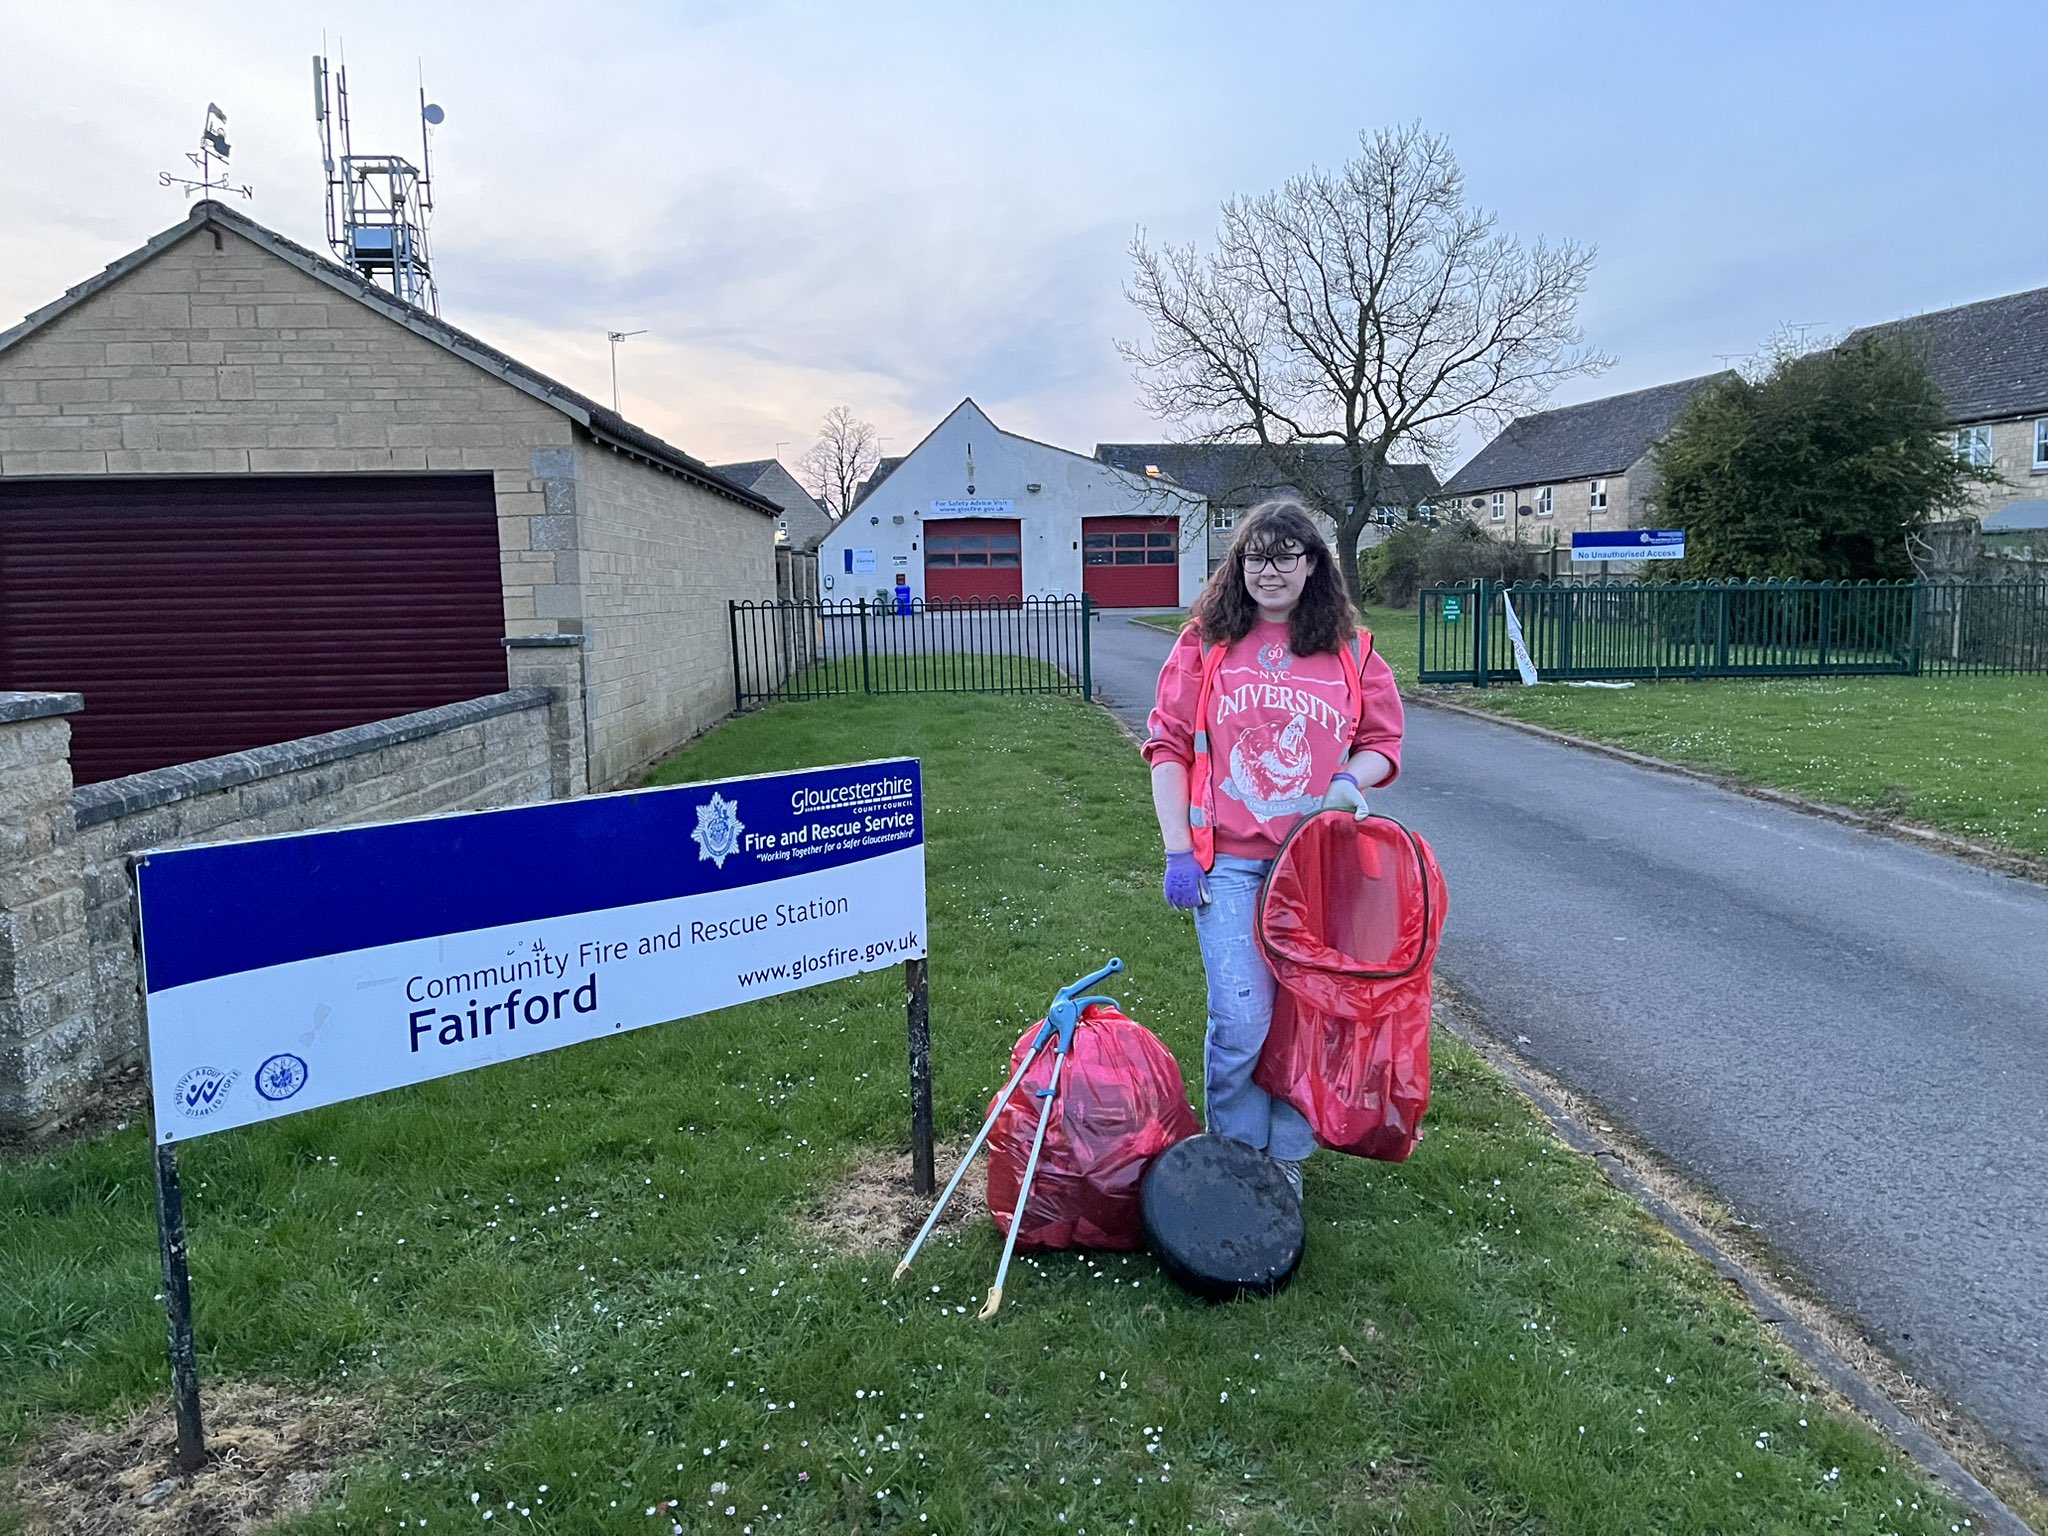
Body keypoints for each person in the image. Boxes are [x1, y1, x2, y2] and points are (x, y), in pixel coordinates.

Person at [1142, 499, 1405, 1202]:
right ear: (1237, 565)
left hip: (1315, 867)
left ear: (1314, 563)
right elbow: (1167, 744)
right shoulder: (1205, 642)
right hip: (1226, 862)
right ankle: (1235, 1151)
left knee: (1306, 1016)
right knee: (1243, 1016)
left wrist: (1352, 777)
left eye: (1287, 555)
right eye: (1255, 556)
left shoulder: (1350, 649)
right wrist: (1177, 851)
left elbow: (1383, 743)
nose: (1270, 570)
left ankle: (1286, 1154)